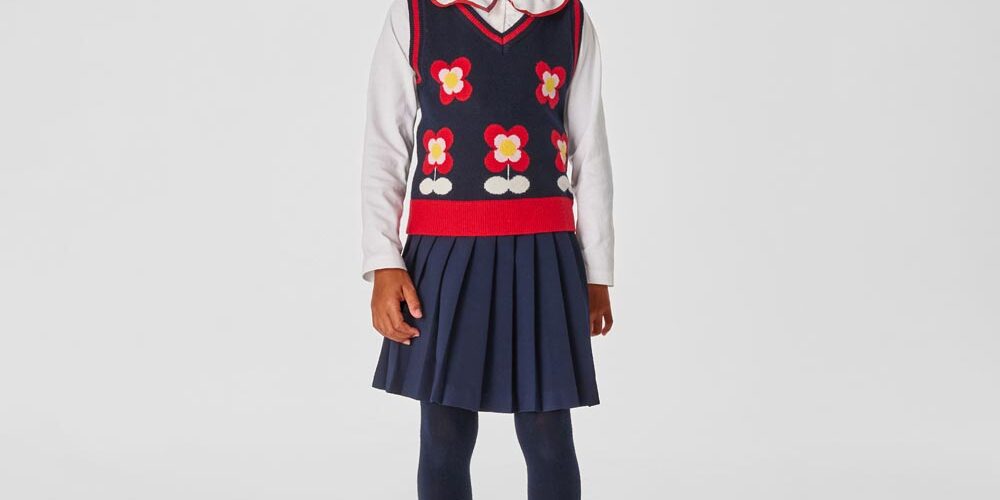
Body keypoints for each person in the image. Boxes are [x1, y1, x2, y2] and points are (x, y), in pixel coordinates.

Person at [360, 1, 615, 498]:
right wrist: (384, 260)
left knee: (548, 432)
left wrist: (597, 270)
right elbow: (385, 145)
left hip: (544, 256)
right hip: (443, 256)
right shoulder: (415, 15)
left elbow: (590, 149)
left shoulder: (567, 18)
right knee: (444, 431)